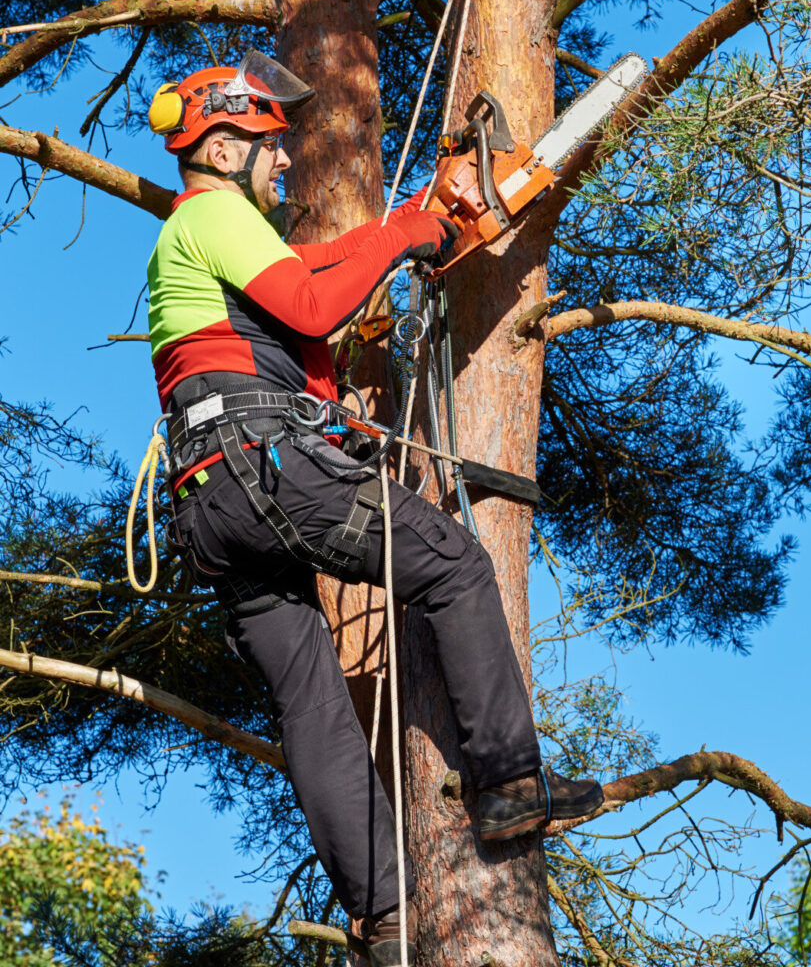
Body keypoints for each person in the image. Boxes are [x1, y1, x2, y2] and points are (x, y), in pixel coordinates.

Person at [145, 51, 603, 966]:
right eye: (272, 147)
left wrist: (415, 224)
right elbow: (314, 303)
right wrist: (404, 235)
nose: (285, 164)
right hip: (261, 470)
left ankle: (386, 919)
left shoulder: (211, 245)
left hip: (209, 506)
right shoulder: (215, 216)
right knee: (455, 567)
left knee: (312, 701)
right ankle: (508, 781)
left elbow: (311, 273)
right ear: (227, 148)